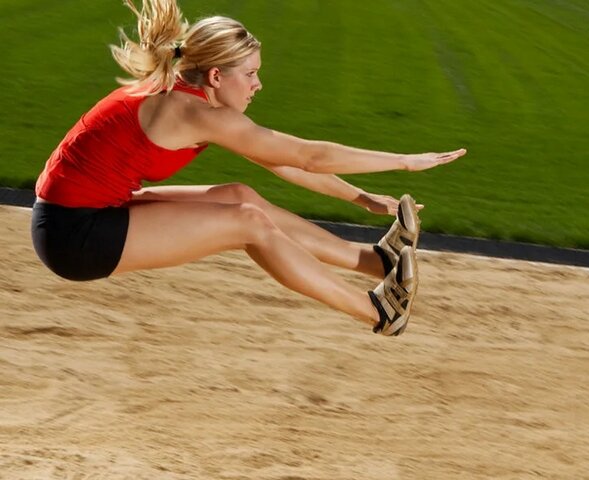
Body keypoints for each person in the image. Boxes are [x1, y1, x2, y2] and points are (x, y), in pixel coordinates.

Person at [31, 0, 466, 336]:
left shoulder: (183, 92)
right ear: (216, 76)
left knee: (240, 196)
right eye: (251, 74)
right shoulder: (195, 113)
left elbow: (285, 163)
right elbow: (309, 155)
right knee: (248, 223)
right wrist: (404, 162)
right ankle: (379, 311)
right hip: (75, 236)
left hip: (86, 213)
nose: (258, 84)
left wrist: (361, 198)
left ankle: (377, 262)